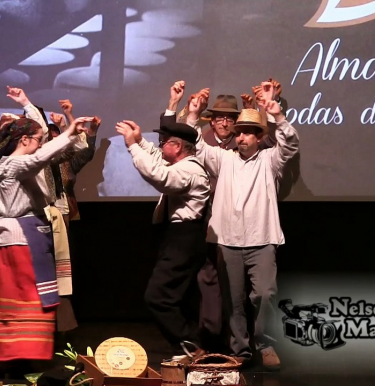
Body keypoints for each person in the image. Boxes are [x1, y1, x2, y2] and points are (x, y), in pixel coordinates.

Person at [189, 83, 299, 369]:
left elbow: (289, 144)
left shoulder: (269, 159)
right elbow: (197, 145)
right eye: (238, 133)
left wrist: (279, 116)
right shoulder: (223, 159)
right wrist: (192, 115)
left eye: (248, 132)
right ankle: (241, 350)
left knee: (264, 294)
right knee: (234, 301)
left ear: (258, 136)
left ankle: (264, 344)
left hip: (261, 239)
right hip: (228, 241)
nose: (241, 137)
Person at [0, 116, 91, 362]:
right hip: (18, 241)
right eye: (38, 139)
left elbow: (43, 154)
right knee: (23, 300)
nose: (40, 144)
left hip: (26, 236)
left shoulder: (20, 163)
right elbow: (39, 157)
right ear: (24, 139)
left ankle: (19, 355)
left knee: (18, 302)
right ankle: (19, 355)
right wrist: (69, 130)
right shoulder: (14, 164)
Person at [117, 120, 210, 363]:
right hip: (177, 236)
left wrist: (132, 147)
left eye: (165, 142)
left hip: (185, 237)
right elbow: (159, 160)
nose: (160, 147)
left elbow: (160, 176)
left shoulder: (190, 169)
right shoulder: (181, 164)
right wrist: (139, 141)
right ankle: (187, 349)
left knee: (157, 296)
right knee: (174, 296)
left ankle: (191, 346)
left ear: (178, 146)